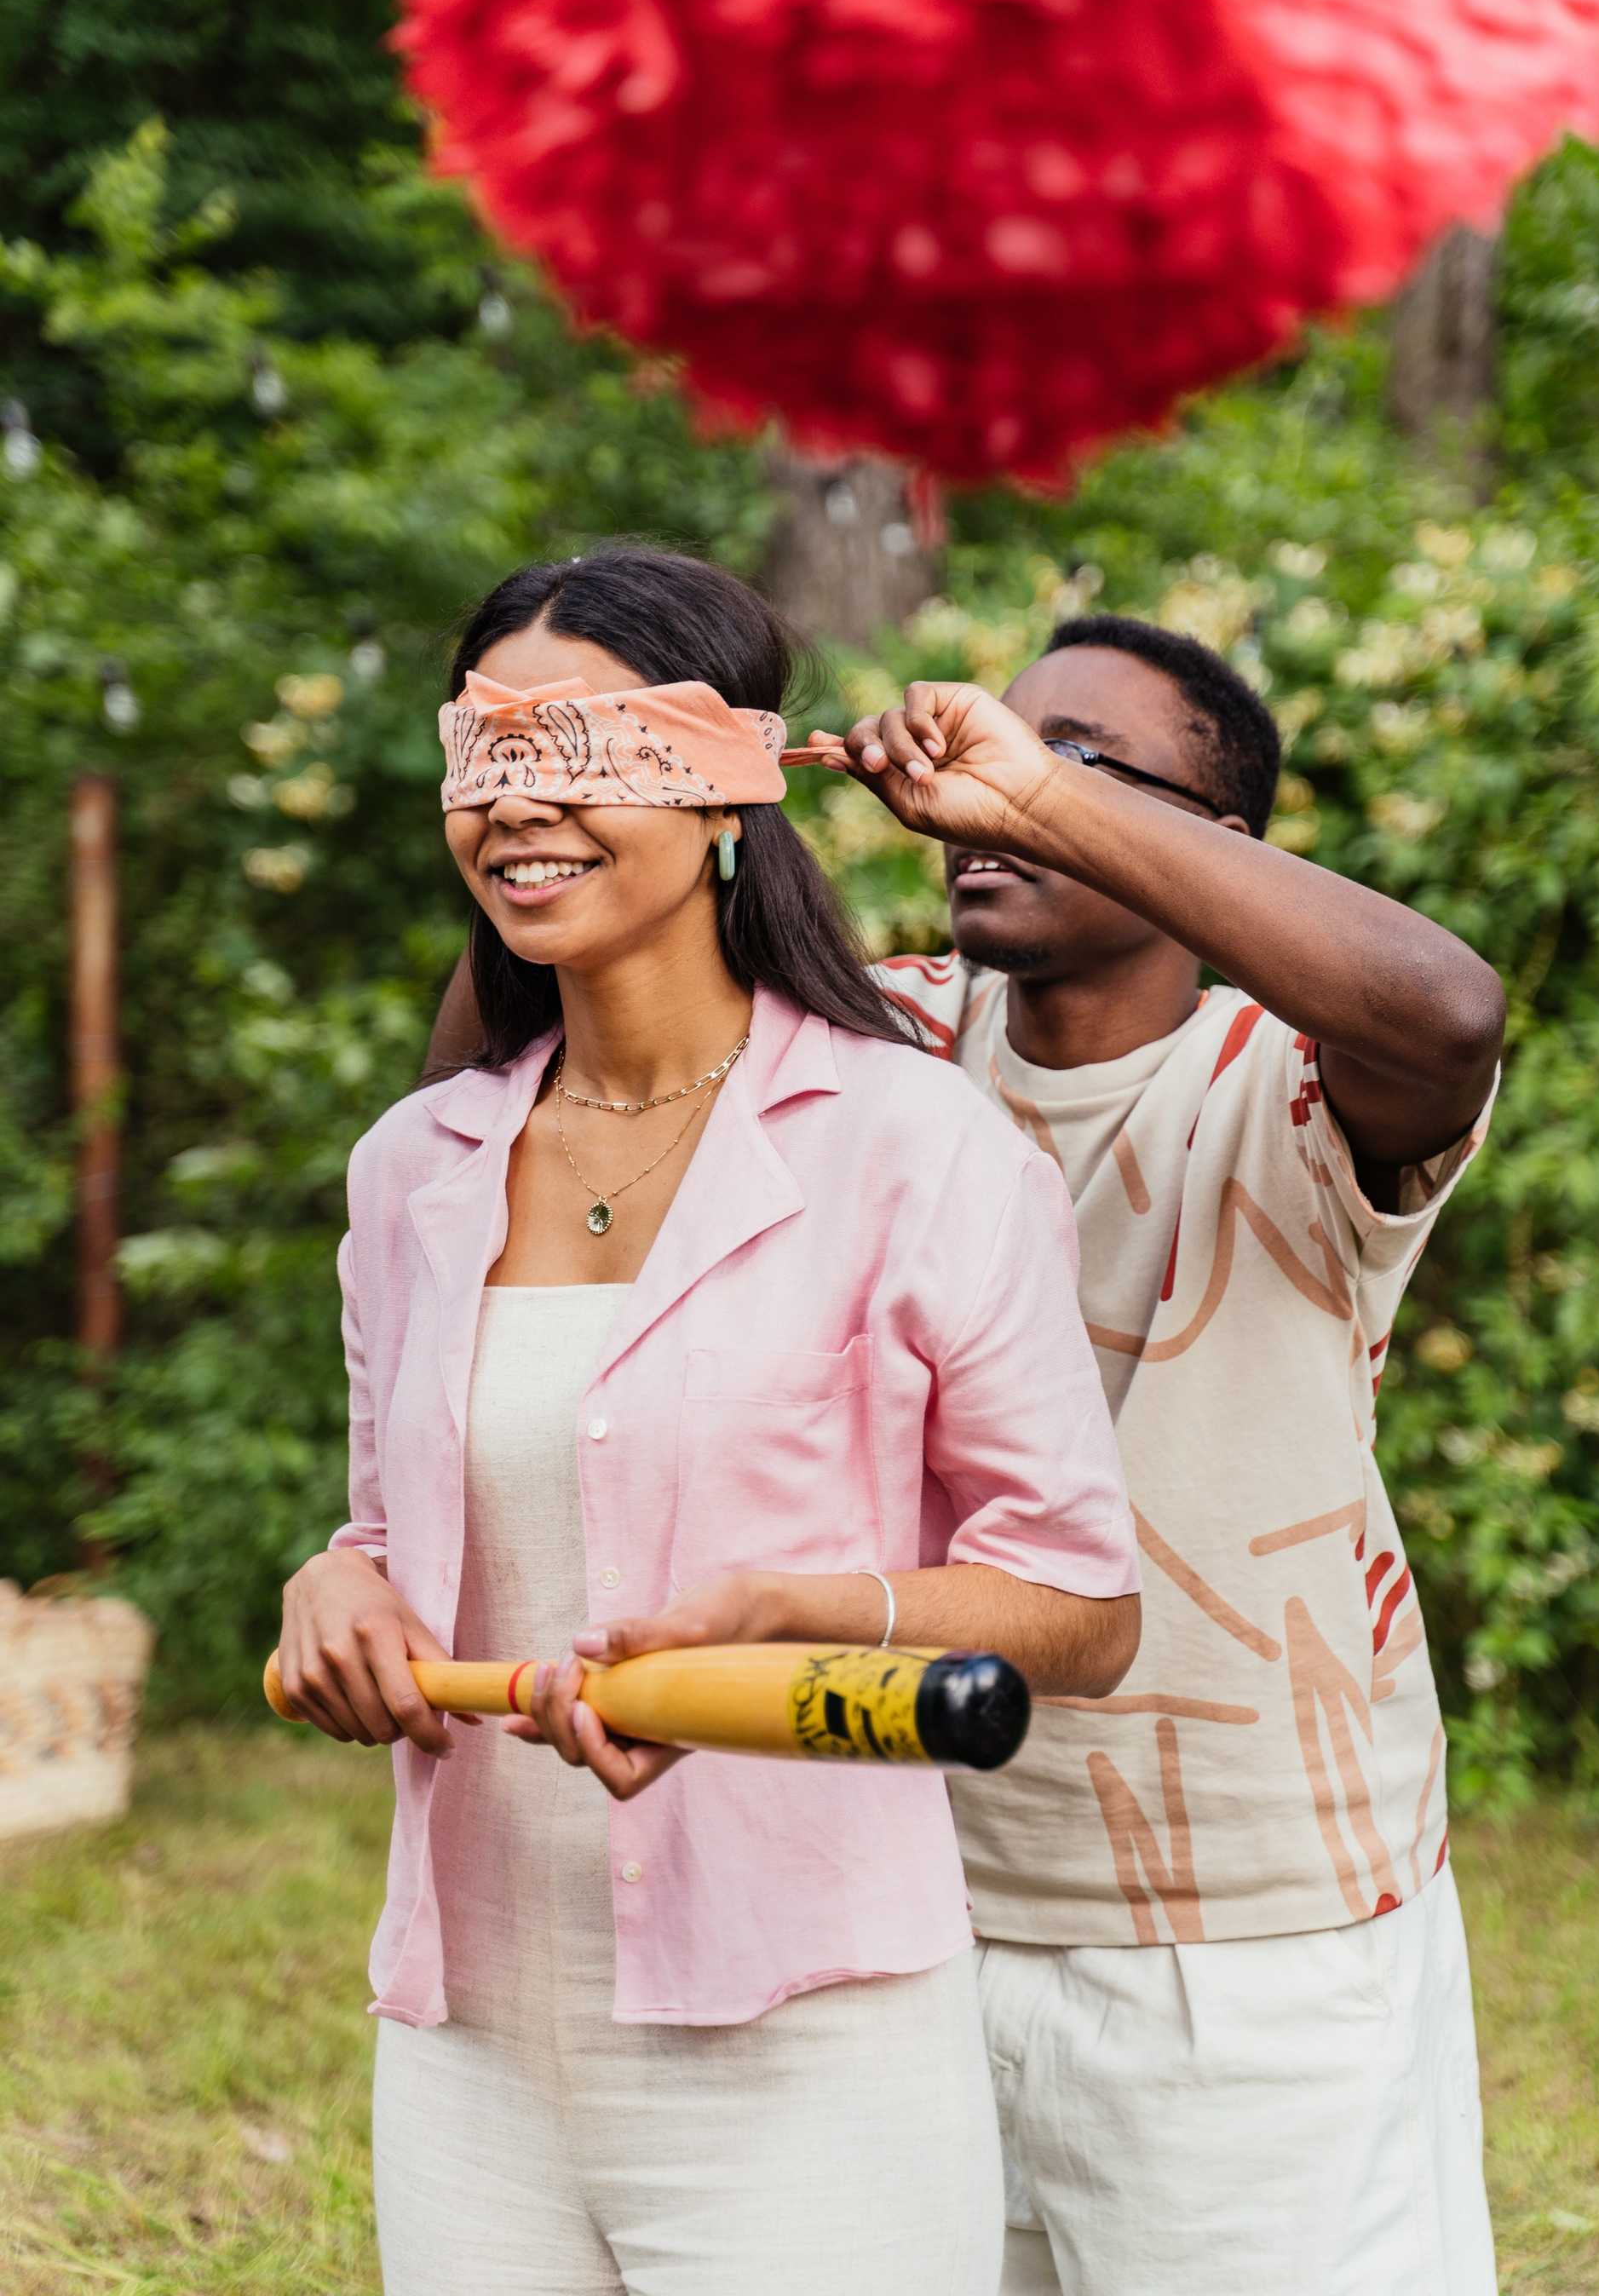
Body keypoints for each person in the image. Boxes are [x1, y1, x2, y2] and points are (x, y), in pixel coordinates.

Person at [424, 601, 1504, 2293]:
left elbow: (1448, 1014)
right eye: (1006, 734)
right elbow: (509, 1090)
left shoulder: (1290, 1087)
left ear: (1196, 844)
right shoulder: (876, 1055)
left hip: (1247, 1942)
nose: (1006, 776)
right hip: (905, 1907)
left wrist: (1033, 794)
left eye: (1090, 759)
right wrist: (624, 769)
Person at [281, 547, 1140, 2296]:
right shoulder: (414, 1175)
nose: (526, 802)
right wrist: (338, 1584)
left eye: (585, 747)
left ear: (728, 783)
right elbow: (388, 1528)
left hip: (809, 2044)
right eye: (488, 751)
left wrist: (801, 1607)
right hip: (473, 2048)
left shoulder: (917, 1147)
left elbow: (1081, 1607)